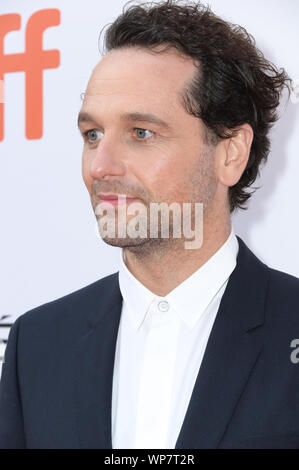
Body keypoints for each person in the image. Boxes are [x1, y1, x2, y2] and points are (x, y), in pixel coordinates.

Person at [0, 0, 298, 449]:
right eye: (92, 135)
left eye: (141, 133)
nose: (101, 166)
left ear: (230, 152)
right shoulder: (37, 345)